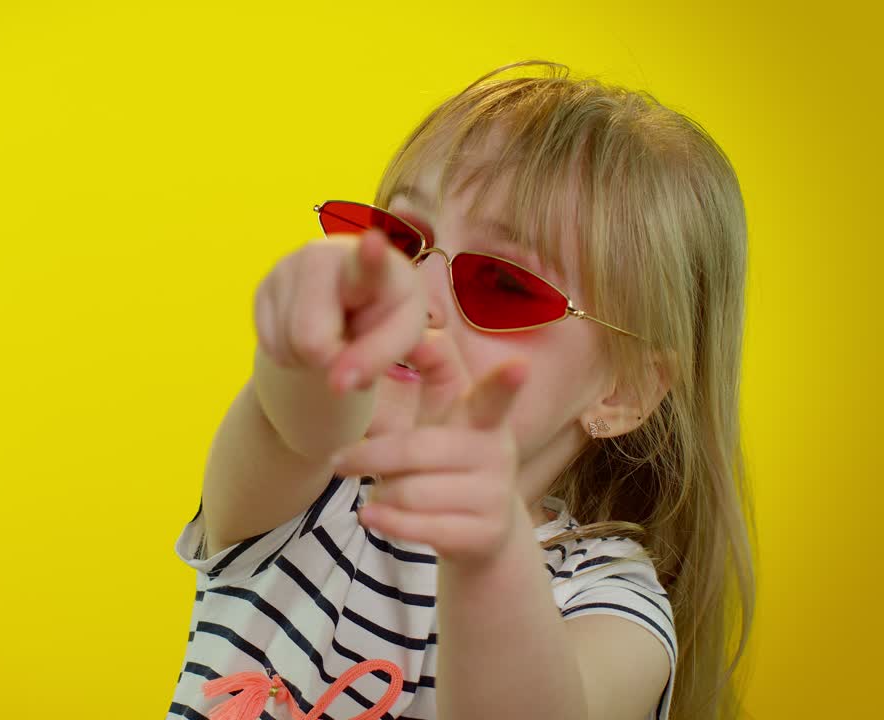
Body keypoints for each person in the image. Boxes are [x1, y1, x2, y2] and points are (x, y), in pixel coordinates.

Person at [166, 59, 755, 720]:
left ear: (623, 391)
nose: (415, 296)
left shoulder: (610, 601)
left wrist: (487, 551)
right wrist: (301, 336)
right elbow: (291, 419)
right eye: (397, 242)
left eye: (503, 282)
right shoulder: (308, 490)